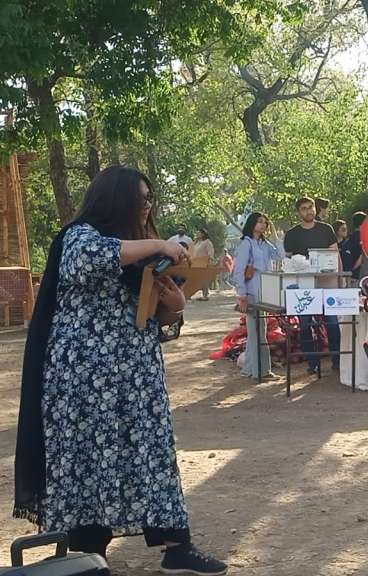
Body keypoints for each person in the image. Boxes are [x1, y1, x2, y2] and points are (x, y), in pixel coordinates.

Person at [14, 165, 227, 575]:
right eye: (141, 198)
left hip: (136, 377)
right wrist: (160, 244)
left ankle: (176, 546)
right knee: (88, 458)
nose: (147, 206)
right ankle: (87, 555)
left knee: (153, 453)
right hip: (83, 379)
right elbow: (93, 258)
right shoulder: (80, 236)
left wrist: (175, 304)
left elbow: (156, 315)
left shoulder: (140, 249)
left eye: (150, 198)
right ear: (116, 199)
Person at [284, 196, 340, 374]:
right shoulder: (292, 234)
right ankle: (312, 363)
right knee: (305, 324)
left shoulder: (326, 229)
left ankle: (337, 360)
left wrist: (341, 279)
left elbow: (335, 255)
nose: (309, 211)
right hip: (304, 285)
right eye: (304, 208)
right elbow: (288, 262)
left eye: (311, 207)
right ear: (298, 212)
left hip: (327, 282)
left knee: (332, 322)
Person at [233, 212, 281, 379]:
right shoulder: (246, 244)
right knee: (257, 332)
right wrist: (242, 294)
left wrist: (274, 235)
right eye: (259, 221)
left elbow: (280, 255)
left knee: (260, 330)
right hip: (251, 292)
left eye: (265, 222)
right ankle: (261, 370)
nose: (263, 225)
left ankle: (250, 368)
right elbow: (238, 270)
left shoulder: (266, 244)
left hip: (265, 292)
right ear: (252, 223)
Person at [190, 228, 215, 300]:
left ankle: (205, 295)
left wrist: (209, 261)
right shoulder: (197, 242)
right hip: (196, 263)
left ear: (203, 234)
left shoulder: (207, 242)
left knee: (204, 279)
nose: (197, 234)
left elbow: (210, 253)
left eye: (199, 233)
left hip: (204, 263)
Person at [341, 211, 367, 277]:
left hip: (349, 273)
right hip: (360, 274)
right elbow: (362, 257)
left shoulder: (349, 238)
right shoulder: (364, 238)